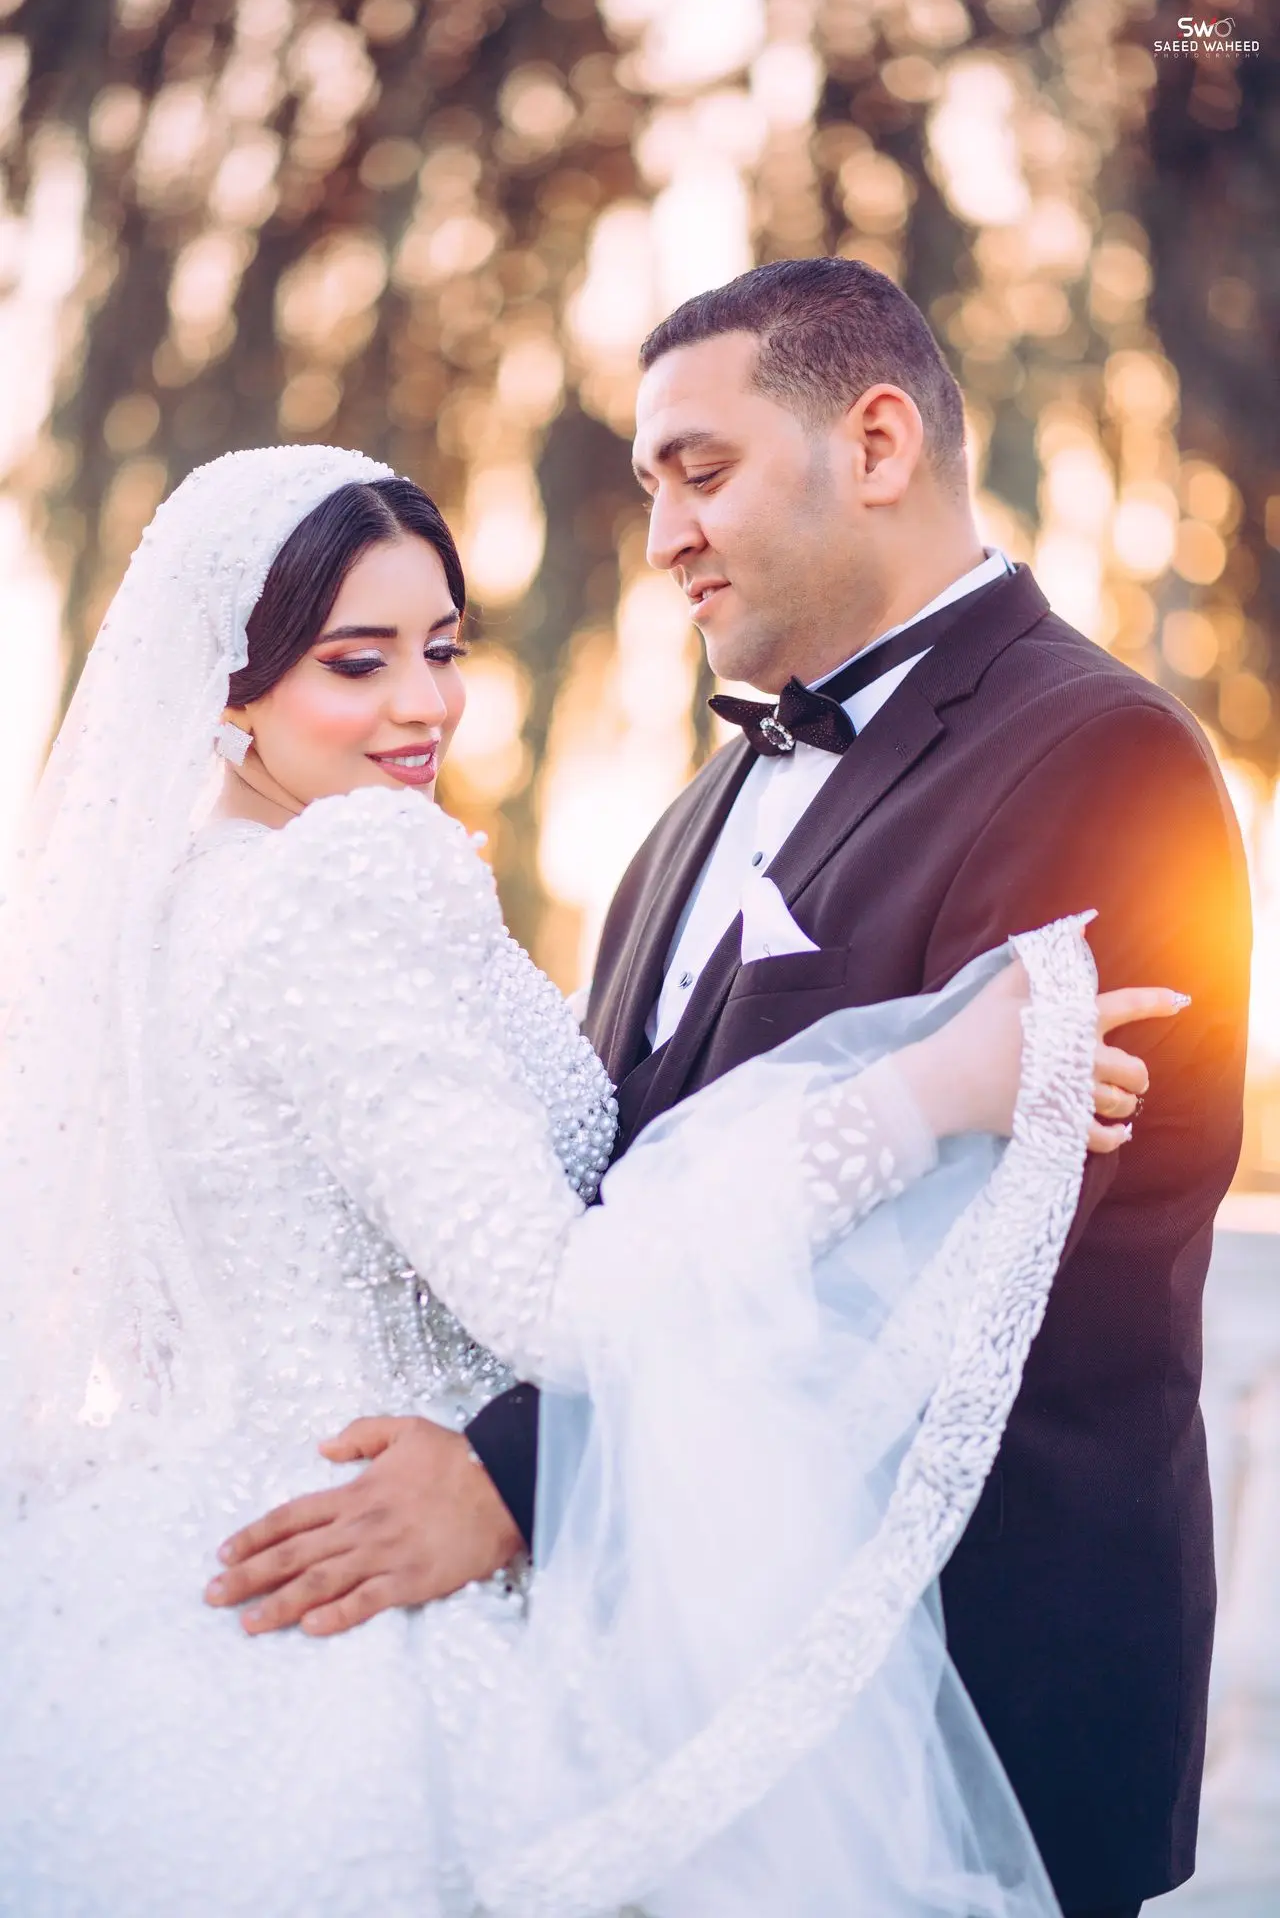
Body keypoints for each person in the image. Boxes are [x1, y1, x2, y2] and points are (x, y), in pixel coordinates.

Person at [0, 443, 1168, 1916]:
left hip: (195, 1566)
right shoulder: (340, 888)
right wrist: (927, 1092)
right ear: (229, 688)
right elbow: (565, 1302)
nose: (423, 705)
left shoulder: (169, 912)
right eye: (355, 664)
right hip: (403, 1587)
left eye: (441, 650)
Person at [216, 263, 1252, 1918]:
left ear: (879, 442)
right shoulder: (695, 815)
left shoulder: (1100, 757)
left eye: (701, 472)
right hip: (677, 1696)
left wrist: (514, 1478)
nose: (662, 537)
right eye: (650, 486)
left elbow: (967, 1244)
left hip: (966, 1707)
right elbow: (613, 1198)